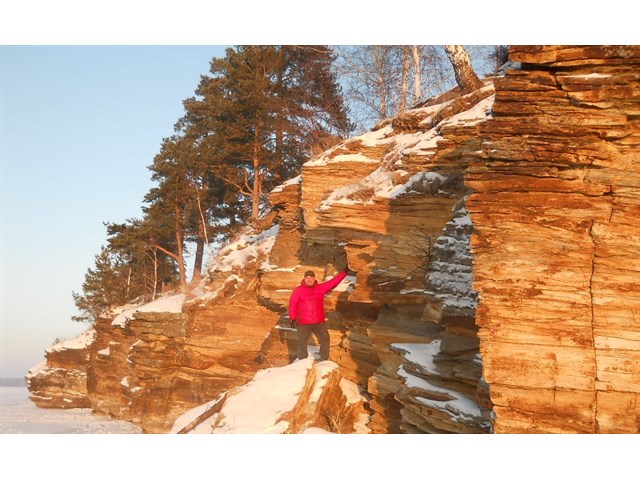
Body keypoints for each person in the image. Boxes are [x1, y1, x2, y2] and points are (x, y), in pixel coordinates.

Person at [288, 268, 348, 361]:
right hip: (303, 323)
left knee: (325, 339)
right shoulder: (298, 290)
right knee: (302, 344)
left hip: (318, 322)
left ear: (314, 278)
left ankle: (323, 358)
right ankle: (302, 362)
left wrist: (345, 272)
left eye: (311, 277)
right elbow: (293, 304)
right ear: (304, 279)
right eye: (307, 278)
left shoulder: (320, 288)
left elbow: (333, 282)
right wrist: (293, 318)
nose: (309, 280)